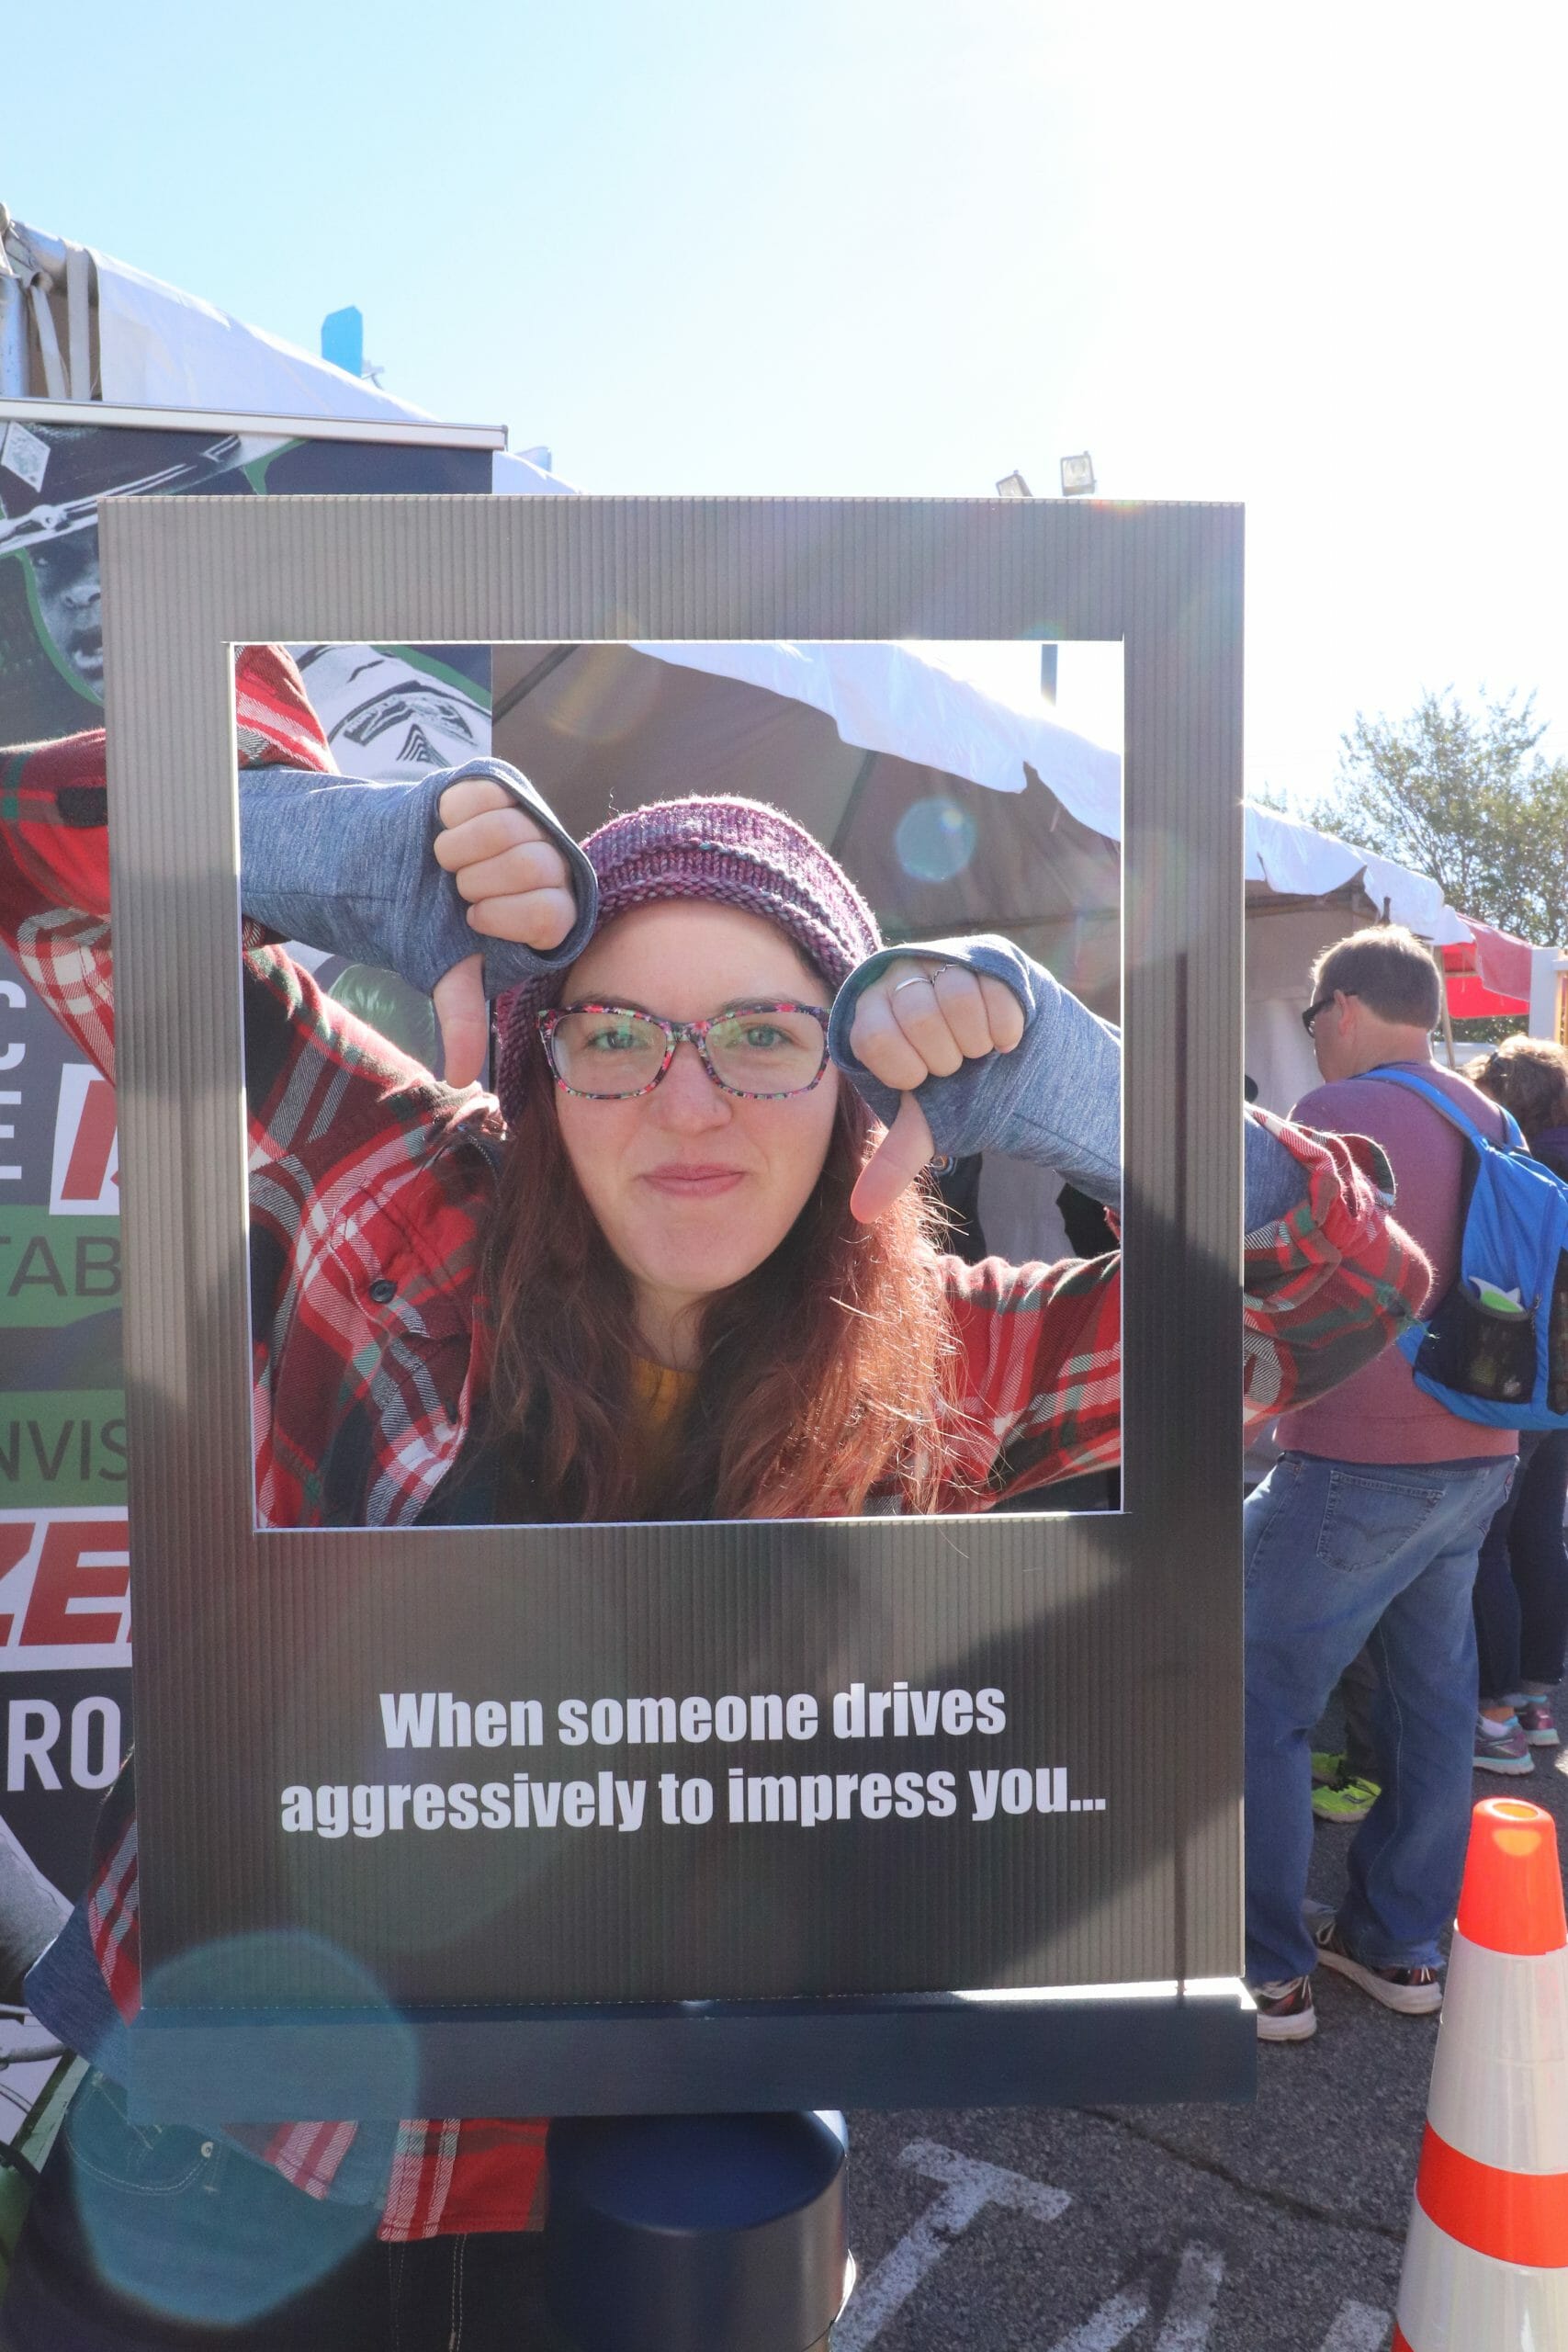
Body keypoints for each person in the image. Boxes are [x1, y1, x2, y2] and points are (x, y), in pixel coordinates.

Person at [0, 648, 1430, 2346]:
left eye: (764, 1035)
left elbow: (1333, 1300)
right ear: (539, 1066)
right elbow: (47, 883)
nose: (687, 1102)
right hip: (225, 2141)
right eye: (614, 1034)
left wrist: (1103, 1100)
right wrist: (310, 841)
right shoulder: (395, 1181)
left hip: (639, 2181)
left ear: (856, 1095)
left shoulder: (936, 1356)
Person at [1245, 925, 1517, 2043]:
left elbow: (1270, 1272)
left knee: (1255, 1694)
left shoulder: (1334, 1114)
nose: (1315, 1040)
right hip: (1481, 1453)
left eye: (1316, 1020)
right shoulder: (1490, 1116)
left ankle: (1266, 1969)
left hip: (1356, 1457)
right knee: (1430, 1702)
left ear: (1346, 1008)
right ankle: (1401, 1942)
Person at [1465, 1036, 1568, 1771]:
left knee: (1485, 1540)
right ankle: (1535, 1702)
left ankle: (1495, 1715)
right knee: (1539, 1533)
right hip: (1562, 1385)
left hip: (1519, 1375)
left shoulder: (1517, 1167)